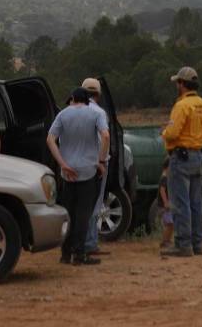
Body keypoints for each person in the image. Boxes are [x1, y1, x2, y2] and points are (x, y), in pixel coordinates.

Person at [46, 87, 109, 266]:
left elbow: (50, 139)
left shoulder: (63, 115)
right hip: (88, 170)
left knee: (68, 213)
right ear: (88, 100)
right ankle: (80, 254)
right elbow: (105, 136)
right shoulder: (95, 114)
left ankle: (65, 253)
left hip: (68, 172)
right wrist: (101, 161)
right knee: (83, 214)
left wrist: (62, 163)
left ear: (73, 98)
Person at [161, 66, 202, 258]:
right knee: (196, 202)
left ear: (182, 84)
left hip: (180, 157)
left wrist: (164, 134)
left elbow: (173, 133)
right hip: (198, 155)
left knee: (180, 203)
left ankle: (183, 245)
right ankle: (197, 243)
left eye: (177, 82)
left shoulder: (182, 106)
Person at [80, 77, 111, 258]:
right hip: (96, 163)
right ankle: (90, 243)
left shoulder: (73, 111)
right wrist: (101, 160)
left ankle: (80, 242)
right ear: (98, 94)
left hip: (78, 163)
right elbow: (104, 138)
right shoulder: (99, 112)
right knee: (95, 203)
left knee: (81, 203)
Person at [158, 157, 174, 248]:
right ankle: (165, 241)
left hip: (166, 205)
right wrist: (166, 202)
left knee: (170, 224)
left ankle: (167, 240)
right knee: (169, 224)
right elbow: (162, 190)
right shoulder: (164, 178)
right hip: (165, 206)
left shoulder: (165, 177)